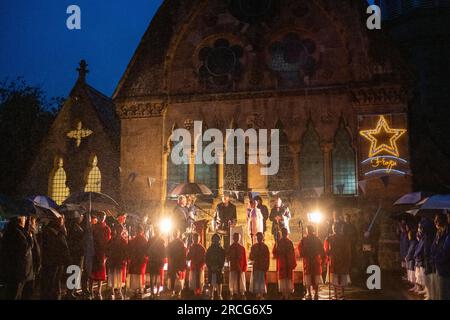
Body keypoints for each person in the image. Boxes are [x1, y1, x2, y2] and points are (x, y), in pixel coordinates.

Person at [1, 216, 34, 300]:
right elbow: (24, 250)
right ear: (19, 218)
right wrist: (30, 238)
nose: (26, 219)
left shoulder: (19, 231)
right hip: (17, 273)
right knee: (14, 295)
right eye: (24, 217)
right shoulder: (15, 233)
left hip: (22, 273)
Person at [41, 216, 70, 300]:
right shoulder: (49, 231)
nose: (63, 220)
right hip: (52, 262)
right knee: (51, 282)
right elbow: (54, 246)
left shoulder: (59, 231)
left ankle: (56, 295)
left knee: (56, 281)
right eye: (61, 219)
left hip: (58, 261)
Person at [324, 223, 352, 300]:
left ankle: (342, 294)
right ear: (333, 228)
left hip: (343, 259)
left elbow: (348, 250)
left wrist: (348, 259)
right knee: (334, 277)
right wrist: (328, 252)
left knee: (342, 277)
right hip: (334, 260)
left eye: (337, 227)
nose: (336, 229)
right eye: (334, 228)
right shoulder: (330, 238)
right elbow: (326, 249)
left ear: (340, 228)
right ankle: (335, 294)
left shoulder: (345, 238)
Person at [299, 225, 324, 300]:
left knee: (311, 277)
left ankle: (312, 293)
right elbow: (300, 249)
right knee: (310, 277)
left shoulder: (307, 239)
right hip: (311, 261)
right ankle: (312, 293)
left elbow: (320, 249)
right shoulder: (313, 239)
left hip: (311, 261)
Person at [90, 212, 111, 300]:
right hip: (94, 252)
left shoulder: (107, 228)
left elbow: (108, 242)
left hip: (102, 253)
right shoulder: (93, 227)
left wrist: (106, 254)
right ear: (98, 217)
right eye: (101, 216)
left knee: (101, 274)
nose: (102, 218)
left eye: (103, 217)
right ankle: (90, 290)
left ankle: (98, 291)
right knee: (92, 273)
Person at [107, 214, 128, 300]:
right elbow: (126, 250)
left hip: (113, 259)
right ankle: (118, 291)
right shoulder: (122, 240)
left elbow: (108, 247)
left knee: (112, 275)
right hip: (118, 260)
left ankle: (112, 291)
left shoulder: (113, 239)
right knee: (118, 275)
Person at [273, 227, 296, 299]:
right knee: (284, 278)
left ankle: (287, 294)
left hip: (285, 261)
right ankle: (285, 294)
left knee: (286, 278)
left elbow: (292, 252)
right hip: (284, 261)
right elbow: (275, 252)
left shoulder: (283, 242)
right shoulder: (281, 242)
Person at [431, 213, 450, 300]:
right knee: (440, 293)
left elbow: (445, 252)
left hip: (445, 268)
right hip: (440, 267)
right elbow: (433, 249)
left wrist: (437, 258)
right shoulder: (439, 234)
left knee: (444, 294)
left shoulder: (447, 234)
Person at [66, 212, 84, 299]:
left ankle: (73, 290)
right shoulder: (74, 228)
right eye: (81, 216)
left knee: (76, 272)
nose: (82, 218)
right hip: (75, 253)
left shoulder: (76, 227)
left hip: (77, 253)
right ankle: (70, 292)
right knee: (74, 272)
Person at [128, 224, 148, 299]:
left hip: (137, 259)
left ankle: (137, 290)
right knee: (138, 275)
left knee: (137, 275)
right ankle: (138, 290)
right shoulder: (143, 239)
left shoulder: (136, 240)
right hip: (138, 259)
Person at [249, 232, 270, 300]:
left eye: (260, 237)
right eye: (258, 237)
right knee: (256, 280)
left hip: (262, 266)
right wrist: (253, 255)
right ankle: (257, 294)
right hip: (256, 266)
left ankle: (261, 294)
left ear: (262, 238)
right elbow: (251, 257)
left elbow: (267, 257)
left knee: (262, 280)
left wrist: (267, 266)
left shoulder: (265, 247)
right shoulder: (254, 246)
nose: (259, 238)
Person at [419, 218, 437, 300]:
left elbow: (429, 249)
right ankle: (430, 294)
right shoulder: (426, 236)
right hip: (427, 259)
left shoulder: (429, 236)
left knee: (431, 279)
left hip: (429, 259)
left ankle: (431, 295)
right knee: (428, 278)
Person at [167, 229, 187, 299]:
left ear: (178, 234)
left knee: (178, 278)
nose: (175, 234)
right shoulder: (172, 243)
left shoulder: (180, 243)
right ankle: (174, 292)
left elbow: (184, 253)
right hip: (174, 262)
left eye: (176, 233)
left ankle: (178, 292)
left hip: (178, 262)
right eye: (174, 233)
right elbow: (168, 253)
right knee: (174, 278)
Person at [147, 227, 166, 299]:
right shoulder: (161, 241)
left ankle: (154, 292)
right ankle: (155, 292)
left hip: (154, 261)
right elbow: (164, 252)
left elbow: (147, 251)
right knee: (156, 277)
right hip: (156, 261)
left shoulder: (153, 240)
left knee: (154, 277)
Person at [205, 234, 226, 300]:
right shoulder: (209, 249)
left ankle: (219, 295)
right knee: (211, 282)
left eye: (217, 239)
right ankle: (211, 295)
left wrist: (219, 267)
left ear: (219, 240)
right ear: (212, 240)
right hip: (211, 267)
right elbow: (207, 259)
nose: (216, 240)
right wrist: (210, 266)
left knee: (219, 282)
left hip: (219, 268)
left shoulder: (221, 250)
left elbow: (223, 259)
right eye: (214, 239)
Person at [228, 232, 247, 299]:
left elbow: (244, 258)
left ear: (239, 238)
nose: (236, 238)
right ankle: (233, 292)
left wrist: (244, 267)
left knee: (241, 280)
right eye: (235, 237)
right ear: (233, 238)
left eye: (238, 237)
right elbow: (228, 257)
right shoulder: (230, 247)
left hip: (240, 266)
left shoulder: (242, 248)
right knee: (233, 279)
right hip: (233, 266)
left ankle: (242, 293)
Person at [405, 228, 418, 292]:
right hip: (410, 260)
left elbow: (412, 251)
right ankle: (415, 286)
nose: (408, 236)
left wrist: (408, 257)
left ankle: (417, 286)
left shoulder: (414, 242)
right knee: (412, 274)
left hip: (412, 260)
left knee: (414, 275)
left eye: (409, 235)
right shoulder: (411, 242)